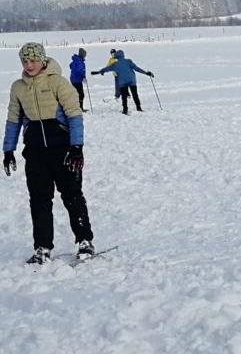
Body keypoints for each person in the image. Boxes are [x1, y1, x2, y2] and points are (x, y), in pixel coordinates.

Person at [4, 42, 95, 263]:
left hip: (63, 150)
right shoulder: (18, 87)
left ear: (43, 60)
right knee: (39, 199)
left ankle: (85, 241)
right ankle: (42, 247)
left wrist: (76, 148)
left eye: (33, 60)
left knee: (72, 195)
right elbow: (13, 120)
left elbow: (74, 115)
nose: (29, 65)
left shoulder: (58, 82)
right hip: (35, 153)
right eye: (24, 61)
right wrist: (8, 149)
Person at [92, 48, 154, 113]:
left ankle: (125, 110)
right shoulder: (128, 61)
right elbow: (137, 69)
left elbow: (106, 69)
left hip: (123, 82)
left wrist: (99, 72)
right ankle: (139, 108)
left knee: (124, 97)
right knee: (135, 94)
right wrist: (146, 73)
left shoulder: (115, 64)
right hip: (132, 80)